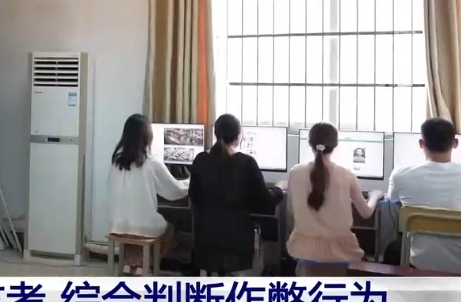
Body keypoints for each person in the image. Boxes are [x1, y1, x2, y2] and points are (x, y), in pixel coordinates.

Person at [387, 117, 461, 273]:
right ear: (455, 143)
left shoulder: (400, 175)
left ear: (421, 144)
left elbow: (393, 199)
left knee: (392, 249)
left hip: (417, 261)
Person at [189, 114, 285, 276]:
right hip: (237, 246)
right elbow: (266, 202)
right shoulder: (247, 163)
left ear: (216, 134)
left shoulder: (200, 160)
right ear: (239, 136)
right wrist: (279, 189)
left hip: (205, 243)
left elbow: (194, 196)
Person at [287, 122, 383, 276]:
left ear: (310, 144)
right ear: (335, 145)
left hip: (304, 251)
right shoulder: (346, 175)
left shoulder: (295, 172)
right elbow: (366, 213)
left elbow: (291, 211)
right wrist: (375, 196)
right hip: (341, 253)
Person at [107, 114, 188, 274]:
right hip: (143, 226)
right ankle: (147, 264)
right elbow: (175, 191)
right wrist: (190, 181)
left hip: (116, 223)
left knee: (132, 227)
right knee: (168, 229)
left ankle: (133, 263)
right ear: (147, 136)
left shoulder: (116, 161)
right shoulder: (151, 162)